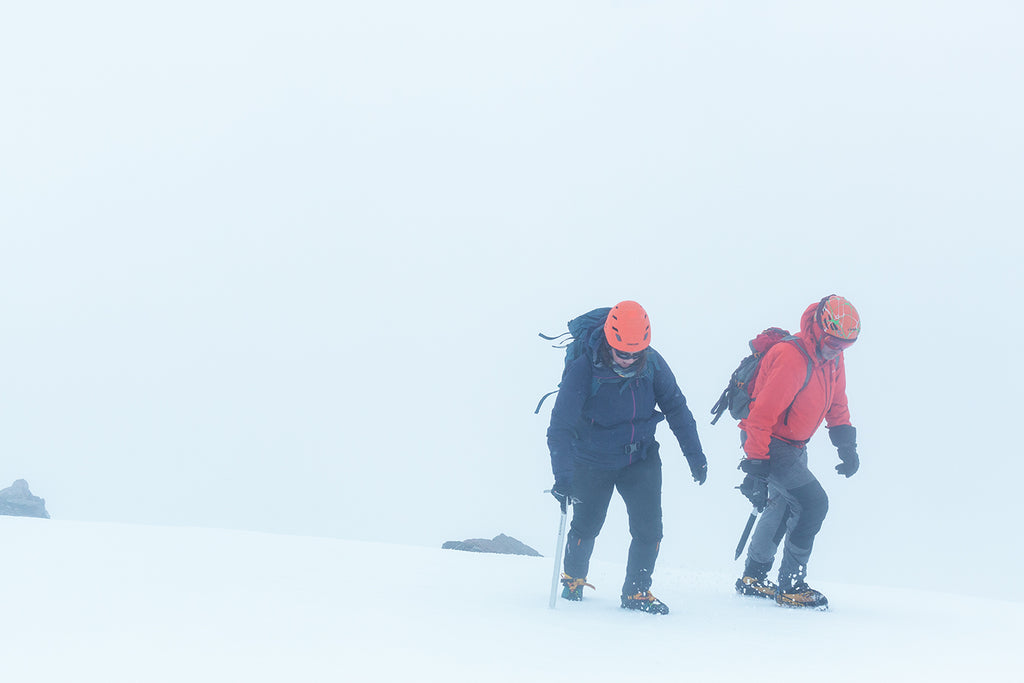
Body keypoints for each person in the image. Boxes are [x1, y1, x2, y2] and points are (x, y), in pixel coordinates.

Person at [547, 301, 708, 615]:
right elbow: (560, 427)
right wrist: (563, 477)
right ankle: (573, 579)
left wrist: (695, 455)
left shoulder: (653, 364)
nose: (629, 360)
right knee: (586, 527)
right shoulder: (584, 369)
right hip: (592, 460)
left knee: (650, 530)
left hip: (641, 458)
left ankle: (636, 592)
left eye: (636, 354)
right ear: (609, 342)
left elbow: (677, 409)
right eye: (623, 353)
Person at [734, 295, 861, 609]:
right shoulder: (791, 358)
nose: (838, 349)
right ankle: (791, 585)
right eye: (834, 341)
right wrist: (757, 465)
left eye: (847, 345)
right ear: (819, 329)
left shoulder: (832, 358)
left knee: (781, 507)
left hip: (793, 445)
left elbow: (837, 402)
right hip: (769, 443)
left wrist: (846, 445)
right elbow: (760, 417)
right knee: (812, 504)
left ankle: (753, 576)